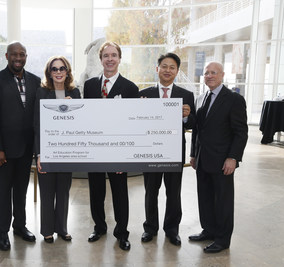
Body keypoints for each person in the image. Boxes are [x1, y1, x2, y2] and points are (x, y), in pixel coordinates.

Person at [0, 42, 41, 251]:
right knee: (3, 192)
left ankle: (20, 226)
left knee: (21, 191)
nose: (18, 58)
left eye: (22, 54)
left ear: (26, 56)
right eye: (14, 54)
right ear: (7, 56)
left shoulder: (35, 81)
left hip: (26, 150)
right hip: (3, 152)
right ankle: (2, 232)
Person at [83, 41, 139, 251]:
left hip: (118, 150)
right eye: (106, 55)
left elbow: (133, 123)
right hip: (95, 149)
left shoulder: (130, 88)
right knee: (96, 190)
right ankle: (99, 227)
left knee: (119, 192)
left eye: (113, 55)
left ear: (119, 58)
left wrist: (126, 154)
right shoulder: (89, 86)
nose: (110, 59)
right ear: (100, 59)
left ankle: (122, 232)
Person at [189, 62, 248, 253]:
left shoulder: (234, 99)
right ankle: (209, 230)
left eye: (213, 72)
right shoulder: (200, 98)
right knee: (204, 197)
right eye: (206, 73)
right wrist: (193, 154)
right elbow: (197, 130)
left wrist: (233, 157)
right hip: (202, 159)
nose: (209, 76)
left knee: (222, 201)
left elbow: (240, 132)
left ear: (222, 75)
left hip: (223, 161)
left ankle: (222, 240)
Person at [139, 53, 195, 246]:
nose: (168, 70)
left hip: (173, 151)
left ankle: (172, 230)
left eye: (172, 67)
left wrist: (186, 117)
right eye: (164, 66)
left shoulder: (186, 95)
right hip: (151, 151)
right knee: (150, 191)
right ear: (157, 69)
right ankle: (150, 228)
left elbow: (194, 123)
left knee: (173, 192)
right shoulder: (144, 95)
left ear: (177, 71)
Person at [34, 56, 81, 243]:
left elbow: (81, 122)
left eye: (62, 68)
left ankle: (62, 228)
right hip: (47, 150)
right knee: (46, 192)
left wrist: (72, 109)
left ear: (67, 71)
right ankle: (47, 230)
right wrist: (39, 154)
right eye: (55, 69)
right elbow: (37, 125)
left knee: (63, 192)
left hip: (67, 150)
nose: (59, 72)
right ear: (49, 72)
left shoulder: (75, 93)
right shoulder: (42, 92)